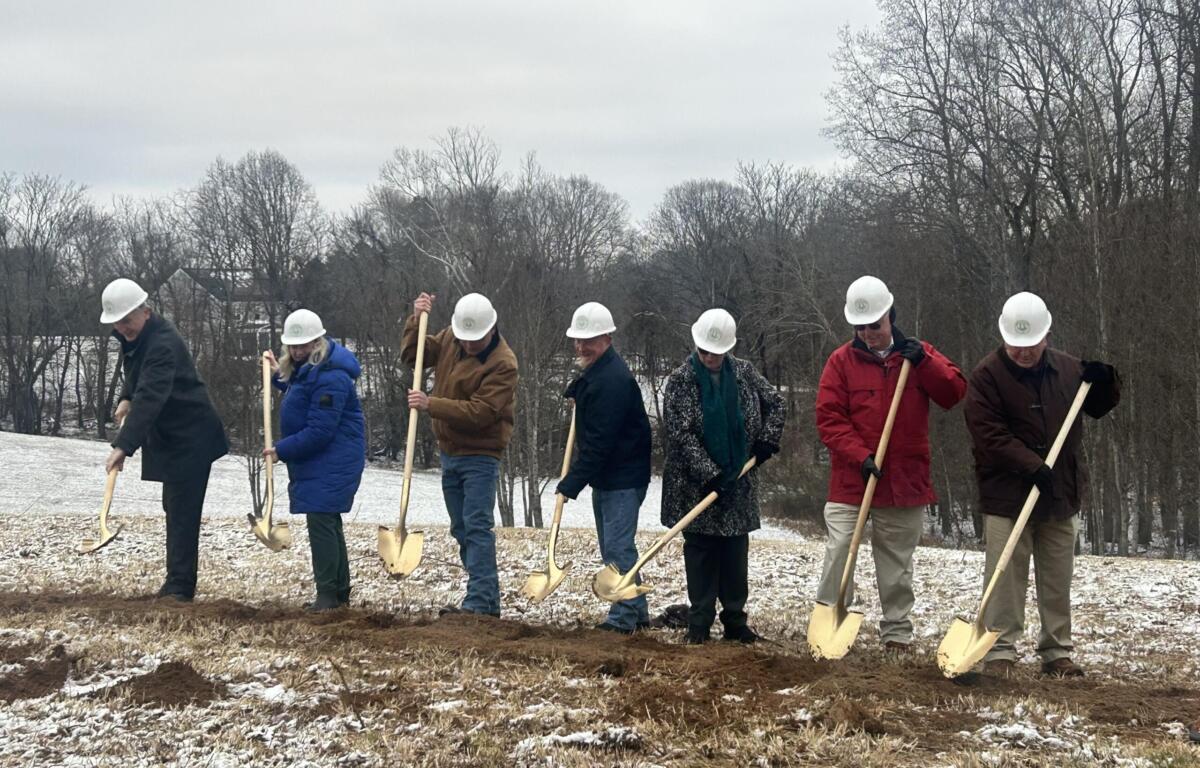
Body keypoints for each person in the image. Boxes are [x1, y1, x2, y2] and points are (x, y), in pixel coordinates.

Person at [964, 291, 1120, 678]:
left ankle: (1056, 651)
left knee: (1056, 578)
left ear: (1046, 335)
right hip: (1007, 496)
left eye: (1030, 344)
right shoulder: (986, 377)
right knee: (1005, 577)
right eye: (1015, 345)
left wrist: (1107, 381)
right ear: (1004, 337)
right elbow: (989, 434)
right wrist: (1030, 465)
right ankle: (999, 650)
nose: (1023, 352)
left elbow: (1099, 406)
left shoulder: (1069, 371)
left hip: (1059, 493)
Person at [814, 275, 967, 651]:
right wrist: (860, 456)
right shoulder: (840, 362)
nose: (869, 333)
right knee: (838, 552)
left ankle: (897, 631)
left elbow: (954, 392)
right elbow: (829, 419)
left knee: (897, 562)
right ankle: (830, 617)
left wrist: (925, 363)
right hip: (852, 480)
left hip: (904, 481)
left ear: (890, 317)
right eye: (861, 327)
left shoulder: (919, 355)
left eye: (876, 326)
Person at [661, 308, 786, 645]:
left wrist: (767, 440)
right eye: (703, 351)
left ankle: (735, 621)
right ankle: (699, 622)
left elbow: (776, 403)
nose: (709, 358)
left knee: (734, 552)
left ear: (729, 349)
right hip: (695, 486)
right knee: (700, 553)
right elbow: (681, 434)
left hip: (738, 482)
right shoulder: (679, 381)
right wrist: (710, 474)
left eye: (716, 353)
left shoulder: (745, 374)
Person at [101, 278, 229, 603]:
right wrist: (125, 396)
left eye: (126, 321)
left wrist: (122, 446)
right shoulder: (140, 337)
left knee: (182, 510)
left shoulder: (162, 343)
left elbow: (151, 395)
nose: (122, 327)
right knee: (173, 506)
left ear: (145, 311)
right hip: (174, 438)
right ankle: (175, 582)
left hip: (192, 436)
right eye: (117, 322)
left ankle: (180, 588)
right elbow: (138, 380)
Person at [402, 292, 518, 617]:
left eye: (474, 341)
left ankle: (480, 602)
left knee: (477, 526)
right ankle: (485, 600)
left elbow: (482, 412)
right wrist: (416, 320)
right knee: (461, 528)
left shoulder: (503, 364)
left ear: (490, 330)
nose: (467, 346)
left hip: (481, 455)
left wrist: (431, 404)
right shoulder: (454, 336)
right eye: (464, 339)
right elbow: (415, 356)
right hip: (449, 451)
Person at [556, 302, 653, 634]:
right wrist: (577, 394)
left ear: (607, 338)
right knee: (616, 546)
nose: (582, 346)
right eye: (578, 340)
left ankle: (622, 618)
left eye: (590, 340)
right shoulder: (599, 370)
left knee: (616, 547)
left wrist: (571, 483)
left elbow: (600, 443)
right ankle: (637, 612)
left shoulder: (612, 380)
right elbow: (591, 393)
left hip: (622, 477)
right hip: (613, 476)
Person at [264, 309, 366, 612]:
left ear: (317, 341)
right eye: (292, 347)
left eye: (303, 345)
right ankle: (337, 593)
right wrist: (277, 378)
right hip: (322, 460)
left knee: (321, 521)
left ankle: (327, 596)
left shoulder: (332, 376)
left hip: (333, 459)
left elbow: (320, 431)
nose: (296, 352)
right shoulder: (311, 370)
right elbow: (302, 392)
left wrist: (282, 449)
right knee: (327, 522)